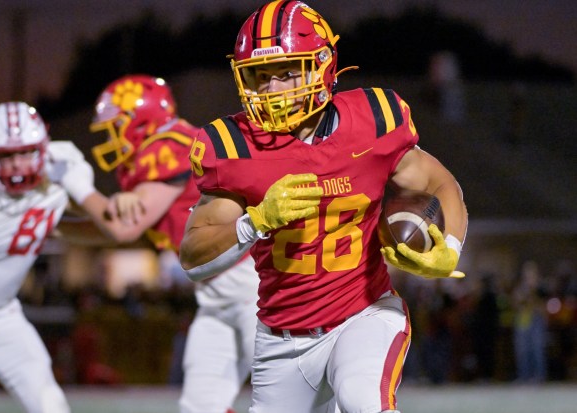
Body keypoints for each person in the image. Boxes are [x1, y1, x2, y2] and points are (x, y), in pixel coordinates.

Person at [179, 2, 468, 412]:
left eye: (286, 72)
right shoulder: (232, 146)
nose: (272, 89)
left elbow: (440, 182)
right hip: (281, 339)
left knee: (363, 401)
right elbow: (193, 254)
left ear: (322, 66)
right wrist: (255, 221)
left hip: (362, 316)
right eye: (260, 76)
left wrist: (450, 248)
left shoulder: (373, 120)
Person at [60, 75, 259, 413]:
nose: (110, 136)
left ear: (141, 120)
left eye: (115, 126)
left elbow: (125, 226)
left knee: (292, 396)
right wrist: (55, 226)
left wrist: (79, 188)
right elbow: (118, 228)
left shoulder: (168, 145)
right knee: (201, 404)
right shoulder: (156, 150)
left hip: (254, 284)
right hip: (218, 293)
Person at [0, 101, 97, 413]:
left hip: (2, 315)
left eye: (25, 152)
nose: (18, 165)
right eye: (6, 155)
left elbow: (99, 219)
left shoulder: (61, 171)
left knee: (50, 404)